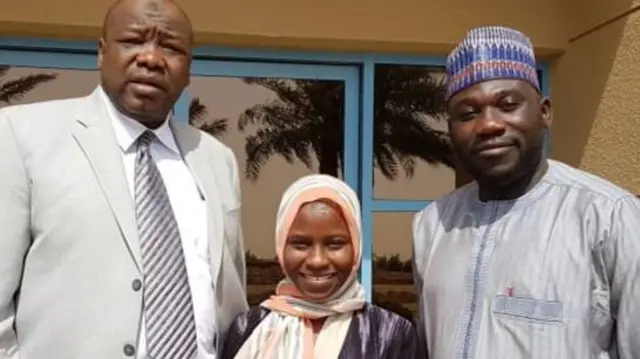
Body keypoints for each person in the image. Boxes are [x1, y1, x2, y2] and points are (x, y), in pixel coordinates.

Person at [0, 0, 248, 358]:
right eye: (133, 41)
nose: (151, 58)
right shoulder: (22, 136)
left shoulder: (215, 159)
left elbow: (231, 301)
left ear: (189, 68)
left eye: (171, 47)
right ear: (102, 53)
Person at [412, 25, 640, 359]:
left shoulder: (609, 217)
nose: (489, 124)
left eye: (507, 104)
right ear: (451, 128)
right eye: (468, 113)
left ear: (544, 111)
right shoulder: (432, 225)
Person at [220, 174, 423, 359]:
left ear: (356, 247)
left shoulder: (391, 335)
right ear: (281, 246)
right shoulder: (248, 329)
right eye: (300, 244)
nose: (317, 261)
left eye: (335, 244)